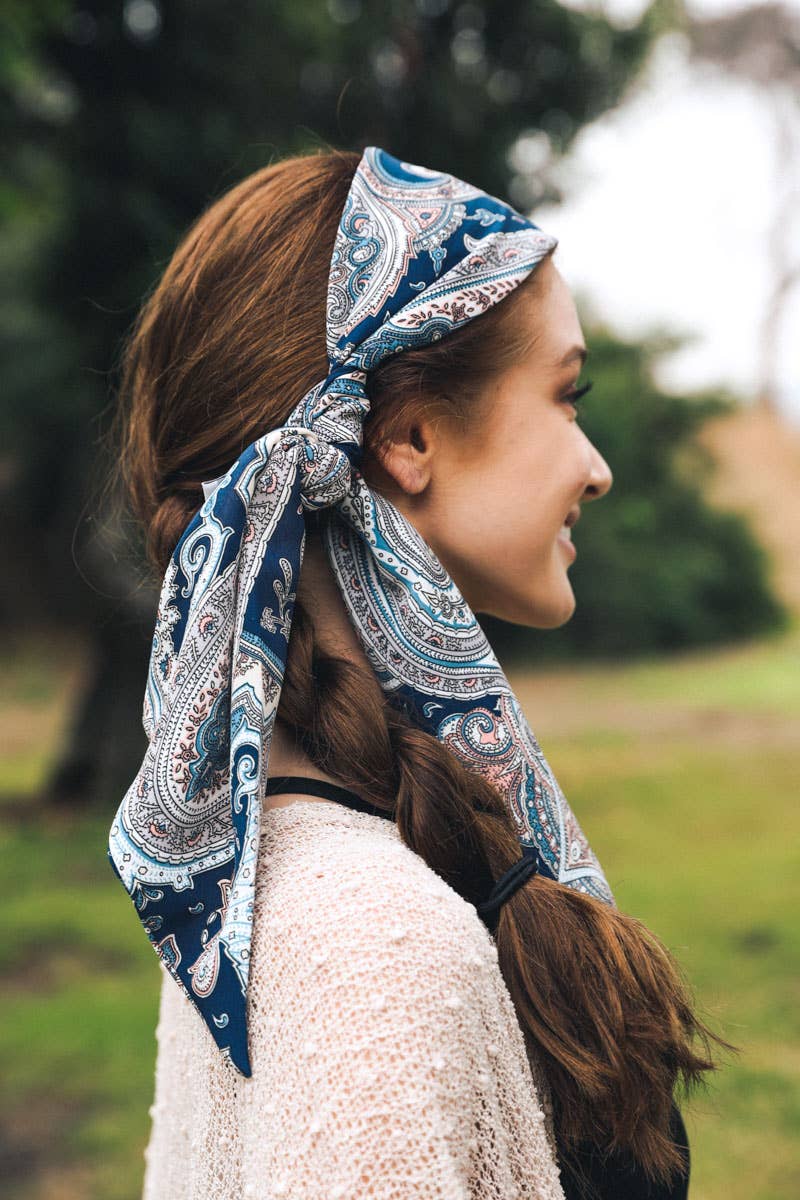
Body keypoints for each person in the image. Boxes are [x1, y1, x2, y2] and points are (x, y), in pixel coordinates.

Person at [107, 145, 731, 1199]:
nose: (596, 466)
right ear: (406, 434)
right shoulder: (381, 951)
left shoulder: (232, 870)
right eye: (565, 395)